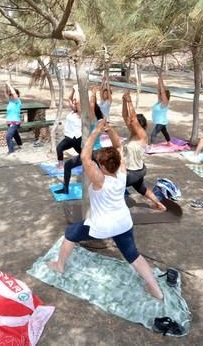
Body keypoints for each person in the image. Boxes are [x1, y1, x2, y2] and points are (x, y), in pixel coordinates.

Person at [46, 119, 164, 300]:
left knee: (70, 233)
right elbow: (118, 147)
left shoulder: (100, 180)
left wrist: (96, 131)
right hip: (124, 222)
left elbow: (85, 157)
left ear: (102, 166)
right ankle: (155, 289)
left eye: (99, 163)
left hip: (102, 226)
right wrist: (110, 130)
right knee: (134, 256)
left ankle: (59, 265)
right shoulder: (122, 172)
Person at [122, 90, 166, 211]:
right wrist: (123, 101)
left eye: (133, 124)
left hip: (133, 172)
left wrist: (130, 101)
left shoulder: (142, 136)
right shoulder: (132, 134)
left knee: (113, 186)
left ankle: (112, 210)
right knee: (142, 189)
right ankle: (160, 206)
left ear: (139, 126)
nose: (130, 124)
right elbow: (126, 117)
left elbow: (133, 119)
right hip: (138, 169)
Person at [54, 87, 103, 195]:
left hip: (94, 152)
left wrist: (92, 94)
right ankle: (65, 189)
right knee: (68, 165)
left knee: (103, 172)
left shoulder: (92, 119)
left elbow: (90, 106)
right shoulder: (91, 118)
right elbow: (77, 104)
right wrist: (75, 89)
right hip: (89, 152)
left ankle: (108, 189)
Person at [55, 86, 82, 169]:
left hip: (74, 138)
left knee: (59, 147)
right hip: (70, 137)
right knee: (83, 153)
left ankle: (60, 166)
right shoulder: (73, 111)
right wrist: (73, 90)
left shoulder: (80, 113)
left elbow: (77, 101)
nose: (73, 103)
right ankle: (61, 165)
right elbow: (69, 99)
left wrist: (77, 90)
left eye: (75, 102)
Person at [150, 75, 171, 145]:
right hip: (160, 121)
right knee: (164, 132)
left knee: (153, 134)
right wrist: (159, 81)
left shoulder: (165, 102)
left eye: (161, 95)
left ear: (164, 96)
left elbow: (162, 92)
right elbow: (159, 90)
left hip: (160, 122)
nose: (159, 95)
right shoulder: (159, 101)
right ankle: (169, 142)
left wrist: (161, 83)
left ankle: (152, 146)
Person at [4, 81, 22, 154]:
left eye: (12, 94)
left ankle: (11, 151)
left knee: (8, 136)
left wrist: (9, 85)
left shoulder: (18, 101)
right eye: (10, 94)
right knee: (15, 134)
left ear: (17, 95)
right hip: (9, 122)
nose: (11, 95)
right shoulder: (10, 101)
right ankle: (20, 144)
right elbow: (5, 93)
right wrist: (6, 85)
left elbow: (14, 94)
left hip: (15, 122)